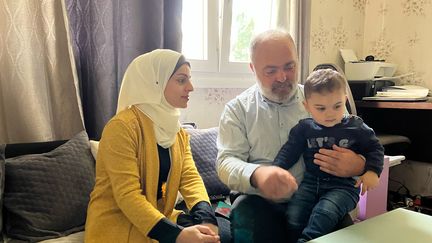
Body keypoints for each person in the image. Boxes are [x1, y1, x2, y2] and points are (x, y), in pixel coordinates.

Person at [216, 29, 366, 243]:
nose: (282, 77)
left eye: (289, 66)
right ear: (253, 68)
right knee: (244, 211)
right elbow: (225, 162)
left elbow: (361, 141)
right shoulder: (237, 110)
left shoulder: (323, 101)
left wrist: (358, 164)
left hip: (316, 199)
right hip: (259, 202)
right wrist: (258, 174)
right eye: (271, 70)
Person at [85, 49, 221, 243]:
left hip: (159, 218)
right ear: (155, 83)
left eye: (189, 79)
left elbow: (190, 178)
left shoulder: (177, 132)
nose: (191, 87)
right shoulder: (121, 128)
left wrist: (207, 220)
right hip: (120, 226)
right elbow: (128, 196)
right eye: (182, 80)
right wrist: (178, 236)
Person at [273, 68, 384, 242]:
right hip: (310, 183)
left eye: (337, 106)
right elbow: (289, 151)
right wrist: (275, 170)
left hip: (344, 187)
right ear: (307, 106)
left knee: (324, 212)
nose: (330, 113)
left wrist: (372, 171)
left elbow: (375, 148)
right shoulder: (304, 128)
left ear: (345, 100)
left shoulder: (356, 126)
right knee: (294, 214)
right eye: (321, 108)